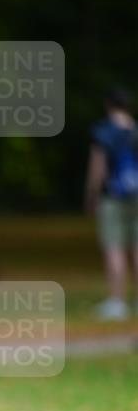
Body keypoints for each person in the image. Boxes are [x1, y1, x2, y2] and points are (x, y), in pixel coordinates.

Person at [84, 87, 138, 320]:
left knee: (114, 248)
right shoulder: (135, 130)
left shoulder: (103, 132)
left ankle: (117, 301)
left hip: (112, 197)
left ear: (109, 105)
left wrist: (92, 195)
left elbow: (98, 167)